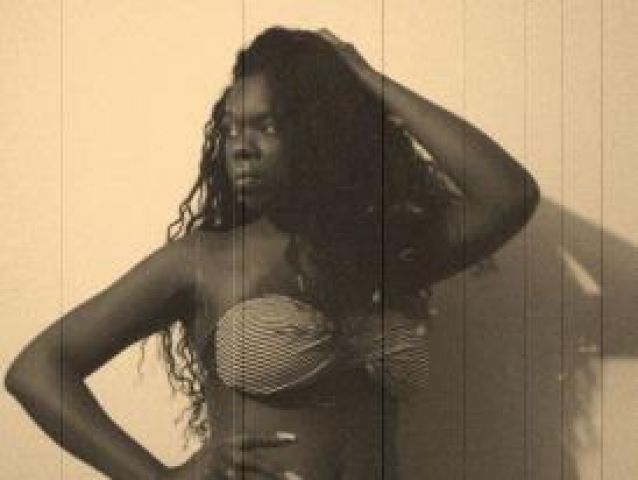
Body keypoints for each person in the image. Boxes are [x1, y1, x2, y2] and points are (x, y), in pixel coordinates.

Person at [5, 27, 539, 479]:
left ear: (320, 134)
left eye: (266, 126)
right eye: (231, 128)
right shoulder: (204, 261)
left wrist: (369, 83)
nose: (240, 146)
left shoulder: (383, 251)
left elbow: (508, 195)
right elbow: (37, 369)